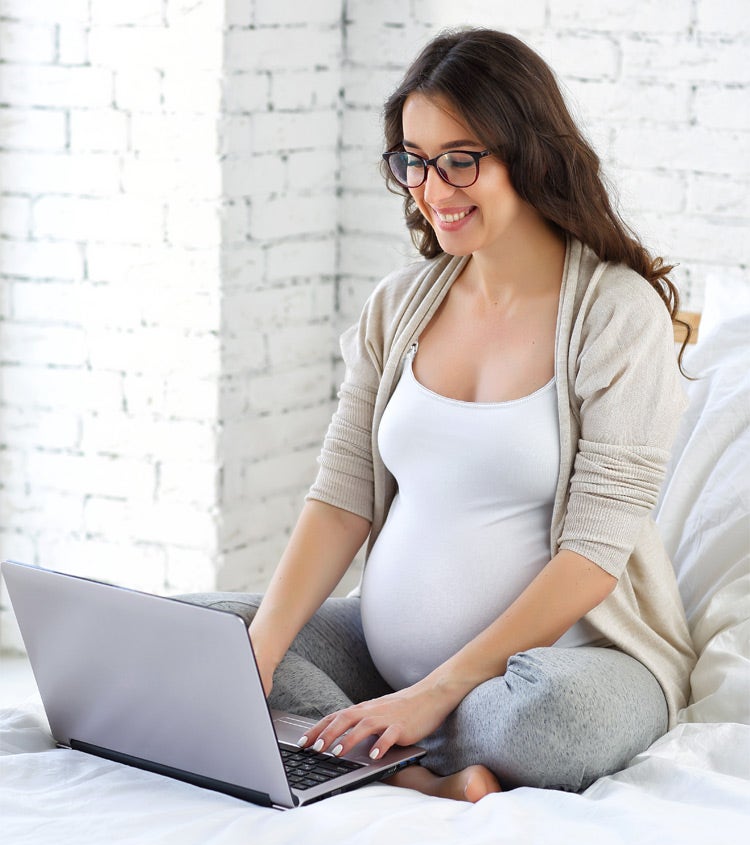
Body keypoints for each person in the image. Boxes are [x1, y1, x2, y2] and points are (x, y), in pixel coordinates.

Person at [184, 28, 696, 802]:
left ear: (529, 154)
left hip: (557, 668)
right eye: (414, 161)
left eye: (461, 159)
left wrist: (441, 690)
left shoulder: (614, 312)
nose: (432, 187)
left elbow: (594, 555)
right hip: (386, 658)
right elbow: (341, 495)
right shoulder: (399, 305)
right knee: (203, 634)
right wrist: (257, 655)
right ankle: (418, 773)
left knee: (538, 723)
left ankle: (391, 745)